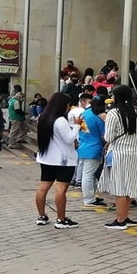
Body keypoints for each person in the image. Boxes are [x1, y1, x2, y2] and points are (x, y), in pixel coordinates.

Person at [99, 85, 137, 229]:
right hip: (136, 153)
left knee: (119, 187)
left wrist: (105, 121)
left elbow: (108, 137)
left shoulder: (113, 113)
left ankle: (120, 220)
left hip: (119, 153)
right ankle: (125, 216)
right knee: (130, 186)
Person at [35, 92, 82, 229]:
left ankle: (41, 216)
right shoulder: (60, 120)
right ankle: (61, 220)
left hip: (47, 158)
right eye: (68, 105)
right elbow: (69, 139)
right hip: (63, 160)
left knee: (43, 188)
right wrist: (77, 125)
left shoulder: (43, 117)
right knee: (61, 190)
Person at [78, 97, 107, 207]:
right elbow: (104, 135)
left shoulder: (84, 114)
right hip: (94, 148)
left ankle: (91, 196)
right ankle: (89, 199)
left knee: (88, 174)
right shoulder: (98, 117)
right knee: (89, 175)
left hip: (83, 145)